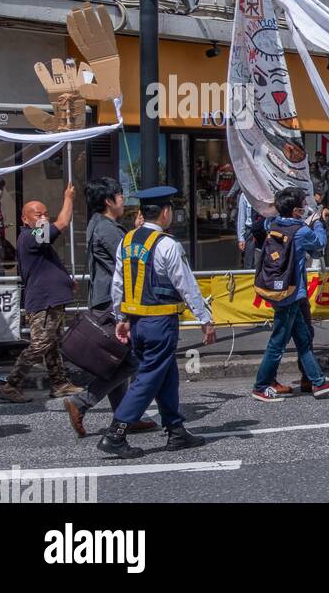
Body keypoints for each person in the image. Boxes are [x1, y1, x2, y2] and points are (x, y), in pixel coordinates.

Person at [97, 186, 215, 459]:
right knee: (149, 376)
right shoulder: (167, 244)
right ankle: (116, 432)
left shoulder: (126, 241)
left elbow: (118, 284)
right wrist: (205, 319)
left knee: (166, 373)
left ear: (141, 213)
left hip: (137, 322)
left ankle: (176, 429)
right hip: (160, 322)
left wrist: (122, 317)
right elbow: (186, 284)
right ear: (165, 213)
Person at [63, 178, 159, 436]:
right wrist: (138, 235)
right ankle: (82, 402)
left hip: (103, 300)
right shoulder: (108, 229)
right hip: (111, 303)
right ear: (108, 201)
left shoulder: (98, 223)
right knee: (131, 360)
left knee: (116, 361)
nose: (123, 200)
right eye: (119, 195)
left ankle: (124, 416)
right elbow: (128, 261)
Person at [251, 187, 329, 402]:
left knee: (303, 339)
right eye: (303, 204)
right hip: (291, 292)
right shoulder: (300, 231)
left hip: (277, 289)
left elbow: (257, 227)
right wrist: (319, 222)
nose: (305, 207)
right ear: (295, 210)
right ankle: (261, 385)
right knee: (278, 343)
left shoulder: (271, 224)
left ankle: (318, 381)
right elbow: (319, 243)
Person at [0, 186, 83, 403]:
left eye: (46, 213)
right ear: (25, 219)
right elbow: (62, 223)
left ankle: (60, 383)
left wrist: (65, 280)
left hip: (52, 299)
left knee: (52, 343)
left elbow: (47, 265)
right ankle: (12, 384)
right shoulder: (30, 236)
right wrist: (68, 198)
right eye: (39, 214)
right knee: (40, 344)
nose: (44, 217)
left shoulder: (39, 240)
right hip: (44, 301)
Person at [236, 191, 265, 270]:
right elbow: (242, 217)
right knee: (249, 260)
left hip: (265, 230)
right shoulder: (245, 195)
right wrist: (241, 238)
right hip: (250, 231)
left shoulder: (266, 193)